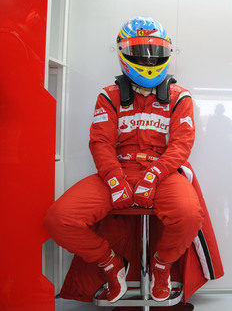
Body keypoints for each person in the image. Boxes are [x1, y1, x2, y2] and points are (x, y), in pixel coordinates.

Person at [44, 16, 222, 303]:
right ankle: (111, 265)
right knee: (58, 220)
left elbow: (181, 145)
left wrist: (152, 176)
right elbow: (100, 142)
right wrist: (115, 180)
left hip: (162, 173)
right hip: (117, 170)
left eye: (155, 53)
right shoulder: (109, 95)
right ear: (123, 54)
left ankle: (162, 268)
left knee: (190, 215)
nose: (149, 60)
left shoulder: (179, 96)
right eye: (140, 53)